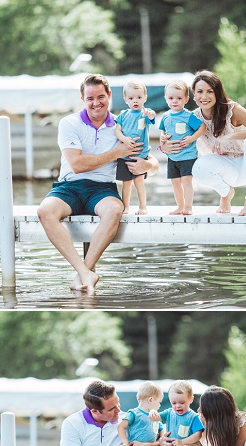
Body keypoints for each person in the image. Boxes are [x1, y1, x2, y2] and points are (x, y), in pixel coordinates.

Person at [37, 74, 160, 294]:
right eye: (90, 98)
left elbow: (152, 159)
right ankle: (85, 273)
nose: (96, 103)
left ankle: (84, 272)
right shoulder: (69, 123)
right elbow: (77, 164)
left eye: (101, 97)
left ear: (110, 95)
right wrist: (116, 152)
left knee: (115, 209)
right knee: (45, 212)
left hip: (102, 189)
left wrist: (147, 166)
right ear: (82, 98)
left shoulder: (122, 124)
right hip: (69, 186)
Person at [160, 70, 246, 217]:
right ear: (193, 94)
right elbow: (175, 139)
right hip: (229, 170)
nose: (204, 96)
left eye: (210, 91)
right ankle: (226, 193)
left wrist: (231, 136)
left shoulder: (232, 110)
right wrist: (164, 146)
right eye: (200, 91)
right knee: (197, 168)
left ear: (217, 93)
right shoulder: (193, 118)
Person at [158, 80, 206, 216]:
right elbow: (163, 131)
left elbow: (202, 127)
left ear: (186, 99)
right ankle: (180, 207)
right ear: (166, 98)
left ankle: (188, 207)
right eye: (171, 98)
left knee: (186, 181)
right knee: (175, 182)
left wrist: (192, 138)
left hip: (187, 156)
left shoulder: (188, 116)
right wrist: (163, 138)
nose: (175, 101)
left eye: (179, 98)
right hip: (172, 157)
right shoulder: (165, 116)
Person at [113, 81, 156, 215]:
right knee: (126, 184)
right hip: (125, 157)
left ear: (145, 98)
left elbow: (152, 116)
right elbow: (117, 131)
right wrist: (125, 140)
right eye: (131, 98)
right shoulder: (123, 115)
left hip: (140, 156)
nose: (135, 101)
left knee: (139, 183)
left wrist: (150, 114)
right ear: (126, 99)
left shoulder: (144, 114)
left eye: (139, 97)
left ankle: (143, 206)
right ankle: (126, 207)